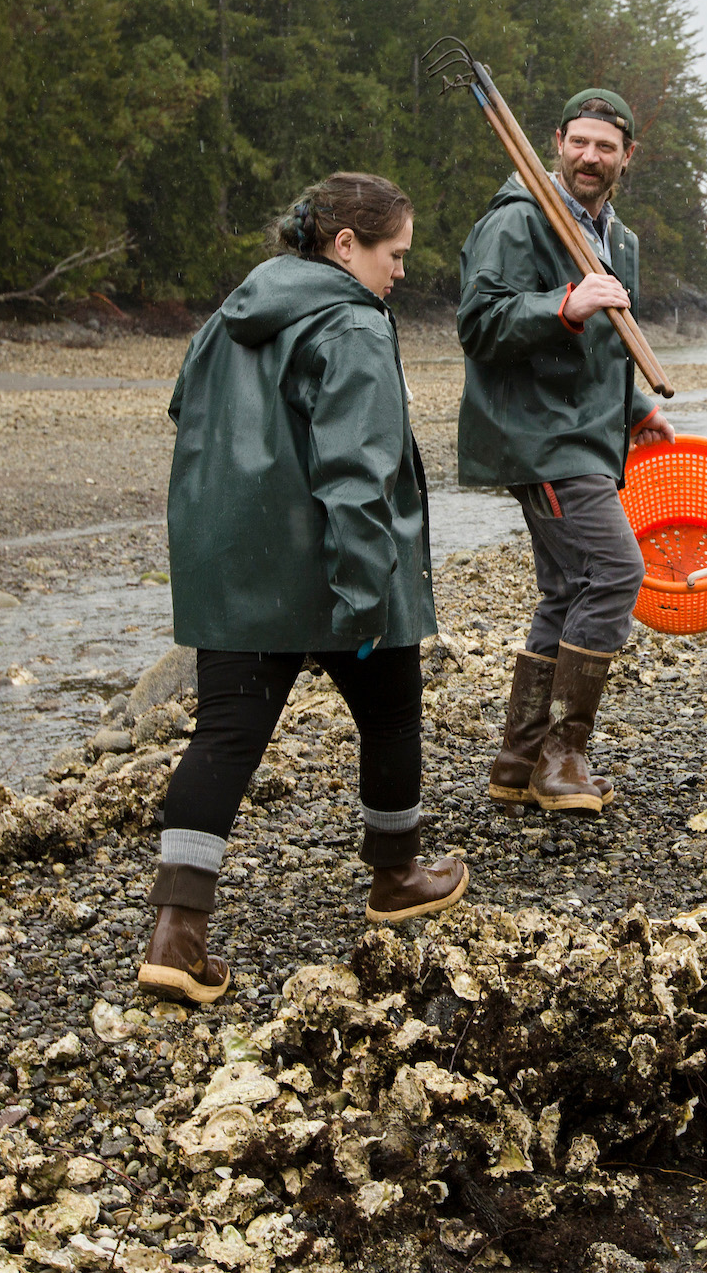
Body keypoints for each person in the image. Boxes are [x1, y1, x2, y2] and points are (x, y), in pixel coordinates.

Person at [138, 172, 467, 1007]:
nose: (401, 271)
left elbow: (188, 410)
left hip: (236, 569)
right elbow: (358, 470)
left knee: (223, 739)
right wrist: (365, 596)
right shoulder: (353, 321)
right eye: (395, 253)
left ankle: (176, 937)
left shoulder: (234, 311)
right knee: (391, 711)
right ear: (345, 244)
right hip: (327, 566)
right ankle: (394, 876)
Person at [456, 88, 674, 815]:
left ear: (626, 157)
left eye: (605, 146)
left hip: (587, 432)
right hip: (540, 435)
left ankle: (517, 762)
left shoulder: (621, 239)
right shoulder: (520, 219)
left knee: (566, 591)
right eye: (579, 142)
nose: (589, 156)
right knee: (615, 572)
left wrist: (637, 407)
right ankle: (563, 755)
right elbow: (479, 323)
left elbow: (609, 345)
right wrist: (560, 305)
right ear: (556, 141)